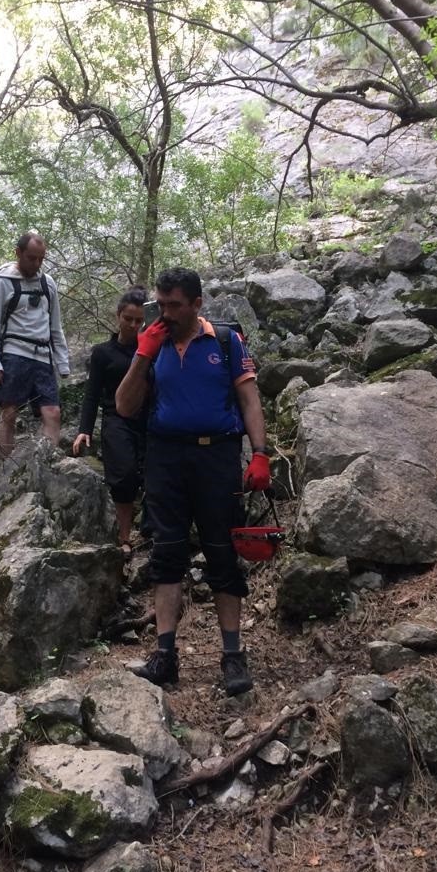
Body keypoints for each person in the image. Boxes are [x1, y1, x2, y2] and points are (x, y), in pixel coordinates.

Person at [115, 266, 270, 697]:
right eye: (160, 305)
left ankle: (233, 655)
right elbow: (125, 407)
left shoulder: (226, 341)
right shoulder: (154, 344)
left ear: (197, 304)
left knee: (222, 552)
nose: (165, 314)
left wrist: (260, 453)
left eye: (174, 306)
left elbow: (249, 400)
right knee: (166, 553)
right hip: (166, 456)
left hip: (218, 455)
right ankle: (164, 655)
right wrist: (143, 355)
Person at [72, 286, 147, 552]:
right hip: (116, 420)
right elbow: (92, 394)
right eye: (128, 319)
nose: (133, 325)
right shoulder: (103, 353)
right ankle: (124, 537)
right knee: (124, 476)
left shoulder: (151, 349)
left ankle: (153, 532)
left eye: (139, 320)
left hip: (149, 419)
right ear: (118, 316)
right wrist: (84, 429)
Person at [0, 231, 70, 454]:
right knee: (9, 412)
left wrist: (63, 362)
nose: (37, 263)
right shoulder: (3, 280)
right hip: (14, 354)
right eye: (32, 258)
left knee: (53, 413)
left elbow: (55, 326)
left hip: (42, 356)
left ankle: (46, 466)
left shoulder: (48, 284)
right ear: (18, 253)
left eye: (41, 258)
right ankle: (6, 471)